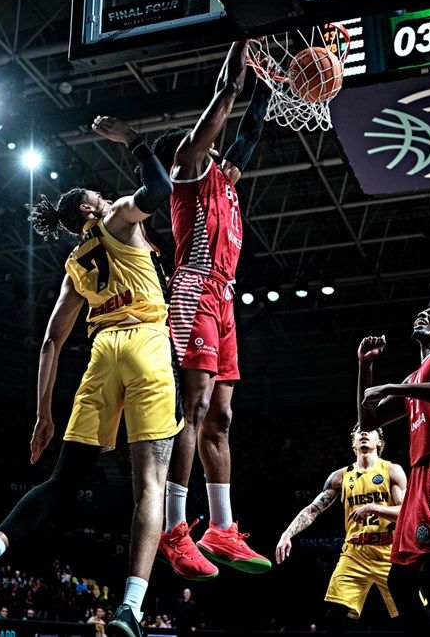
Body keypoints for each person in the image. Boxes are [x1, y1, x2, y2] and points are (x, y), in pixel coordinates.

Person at [0, 115, 181, 637]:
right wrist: (135, 142)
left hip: (101, 355)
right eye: (98, 192)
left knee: (62, 481)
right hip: (145, 343)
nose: (106, 192)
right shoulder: (119, 217)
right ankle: (130, 610)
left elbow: (51, 341)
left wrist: (41, 415)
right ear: (89, 207)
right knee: (149, 486)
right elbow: (160, 187)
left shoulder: (75, 265)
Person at [150, 41, 272, 580]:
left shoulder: (226, 180)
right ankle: (175, 530)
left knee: (221, 418)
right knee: (195, 410)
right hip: (192, 291)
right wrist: (242, 47)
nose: (219, 151)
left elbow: (248, 134)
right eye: (204, 143)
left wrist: (271, 89)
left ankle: (221, 529)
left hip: (224, 297)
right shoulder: (187, 172)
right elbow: (227, 97)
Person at [356, 301, 430, 636]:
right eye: (420, 313)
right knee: (401, 580)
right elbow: (368, 420)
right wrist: (365, 367)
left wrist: (393, 387)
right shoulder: (415, 377)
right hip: (421, 473)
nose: (423, 315)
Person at [275, 425, 405, 634]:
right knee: (335, 615)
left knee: (409, 614)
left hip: (388, 550)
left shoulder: (392, 470)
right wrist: (287, 534)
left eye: (370, 430)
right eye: (359, 430)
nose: (364, 432)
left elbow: (406, 513)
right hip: (354, 553)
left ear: (380, 442)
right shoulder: (340, 477)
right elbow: (313, 510)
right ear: (353, 442)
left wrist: (374, 508)